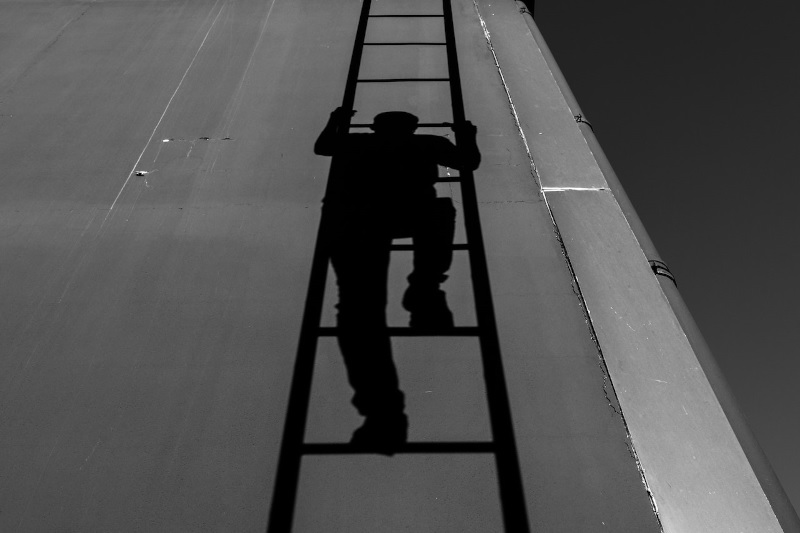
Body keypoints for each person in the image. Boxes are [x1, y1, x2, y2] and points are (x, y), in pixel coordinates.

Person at [314, 108, 480, 453]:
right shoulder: (420, 143)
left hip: (364, 220)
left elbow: (325, 146)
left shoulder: (363, 143)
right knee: (359, 310)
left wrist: (336, 121)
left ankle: (424, 291)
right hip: (365, 220)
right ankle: (425, 292)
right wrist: (466, 134)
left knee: (358, 312)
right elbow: (468, 160)